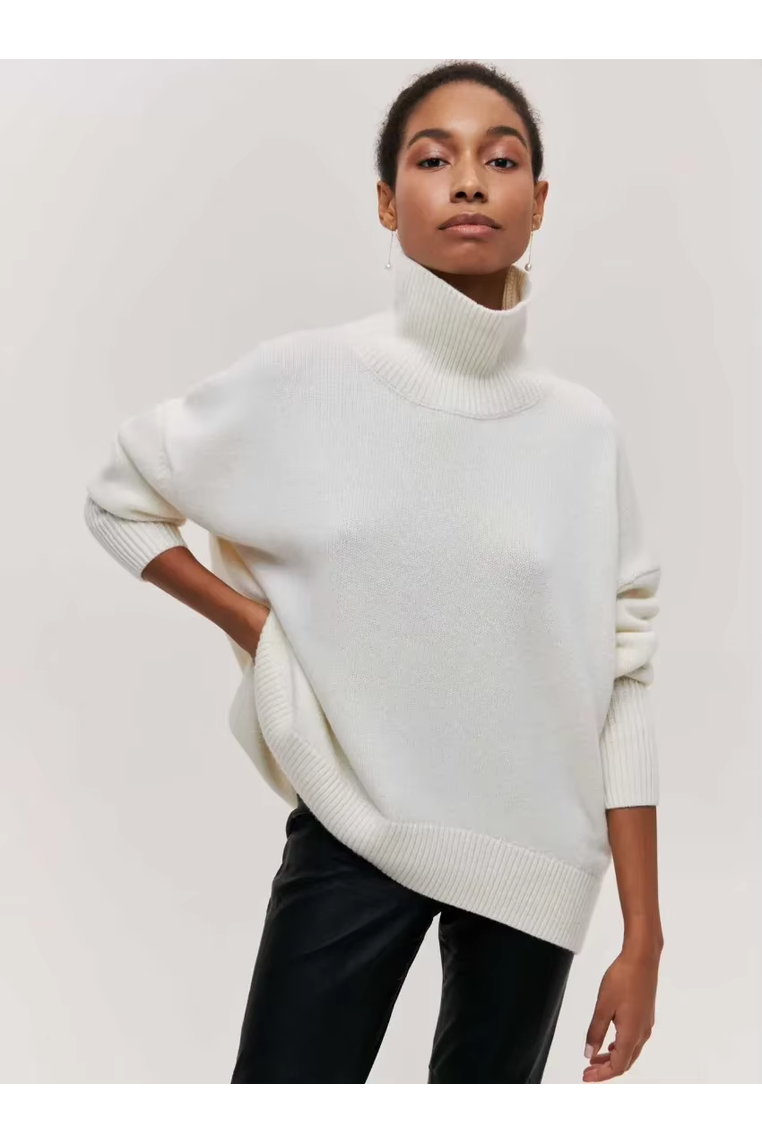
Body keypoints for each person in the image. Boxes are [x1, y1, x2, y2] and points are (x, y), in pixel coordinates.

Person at [83, 60, 664, 1083]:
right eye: (434, 159)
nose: (470, 180)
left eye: (502, 160)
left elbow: (623, 680)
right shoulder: (306, 377)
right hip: (352, 825)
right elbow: (120, 497)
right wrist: (254, 625)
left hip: (535, 860)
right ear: (389, 204)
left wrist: (643, 933)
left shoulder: (583, 432)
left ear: (538, 202)